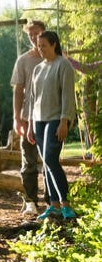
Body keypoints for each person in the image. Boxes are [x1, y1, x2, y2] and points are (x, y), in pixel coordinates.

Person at [27, 31, 77, 220]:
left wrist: (64, 121)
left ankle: (66, 205)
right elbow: (32, 99)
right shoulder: (38, 68)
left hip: (56, 118)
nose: (40, 49)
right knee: (46, 163)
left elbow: (67, 96)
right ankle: (54, 205)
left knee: (50, 159)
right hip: (38, 120)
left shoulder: (63, 65)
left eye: (44, 46)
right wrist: (31, 124)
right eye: (39, 46)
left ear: (54, 44)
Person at [10, 20, 46, 216]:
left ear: (44, 33)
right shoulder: (23, 60)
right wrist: (17, 117)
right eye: (30, 34)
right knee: (29, 161)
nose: (33, 37)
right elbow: (18, 90)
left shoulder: (54, 58)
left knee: (49, 160)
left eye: (36, 33)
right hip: (27, 115)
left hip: (49, 116)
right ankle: (30, 201)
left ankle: (52, 201)